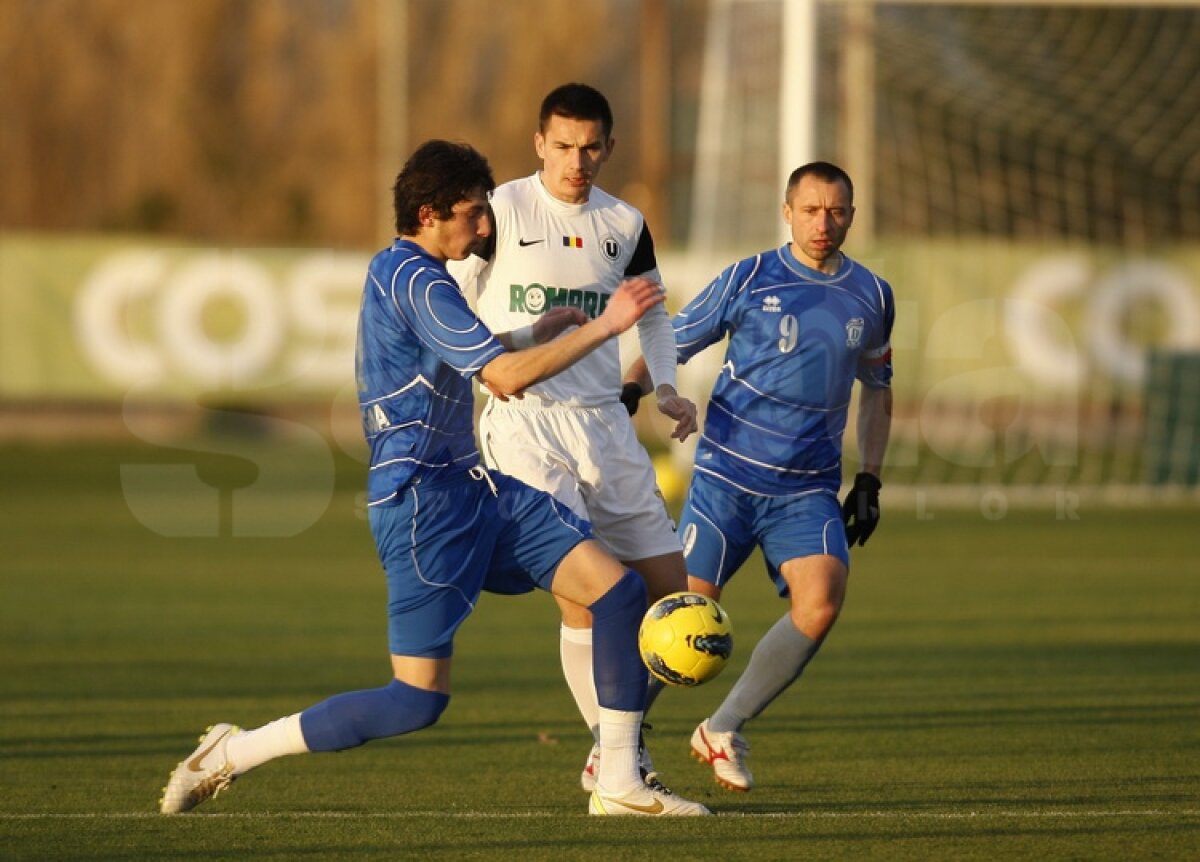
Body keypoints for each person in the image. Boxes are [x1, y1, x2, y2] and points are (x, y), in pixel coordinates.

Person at [158, 139, 709, 817]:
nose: (484, 228)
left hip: (476, 486)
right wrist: (608, 326)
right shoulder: (414, 278)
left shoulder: (422, 276)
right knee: (416, 701)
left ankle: (619, 782)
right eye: (473, 215)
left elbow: (475, 354)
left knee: (619, 594)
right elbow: (501, 382)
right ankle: (231, 752)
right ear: (429, 213)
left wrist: (533, 332)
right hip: (423, 504)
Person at [449, 83, 697, 793]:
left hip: (605, 426)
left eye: (591, 147)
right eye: (562, 145)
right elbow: (454, 304)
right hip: (524, 423)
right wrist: (495, 358)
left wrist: (669, 386)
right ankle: (619, 759)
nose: (576, 160)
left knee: (669, 597)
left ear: (609, 147)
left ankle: (613, 747)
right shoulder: (498, 209)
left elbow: (653, 314)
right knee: (584, 594)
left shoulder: (625, 221)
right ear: (539, 144)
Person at [625, 160, 894, 792]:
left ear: (852, 215)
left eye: (836, 211)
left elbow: (878, 391)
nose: (822, 223)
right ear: (787, 210)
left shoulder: (873, 296)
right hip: (725, 479)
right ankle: (615, 748)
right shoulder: (749, 277)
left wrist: (871, 480)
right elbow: (670, 339)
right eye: (810, 210)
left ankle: (721, 728)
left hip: (806, 489)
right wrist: (633, 391)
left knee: (822, 601)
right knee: (683, 618)